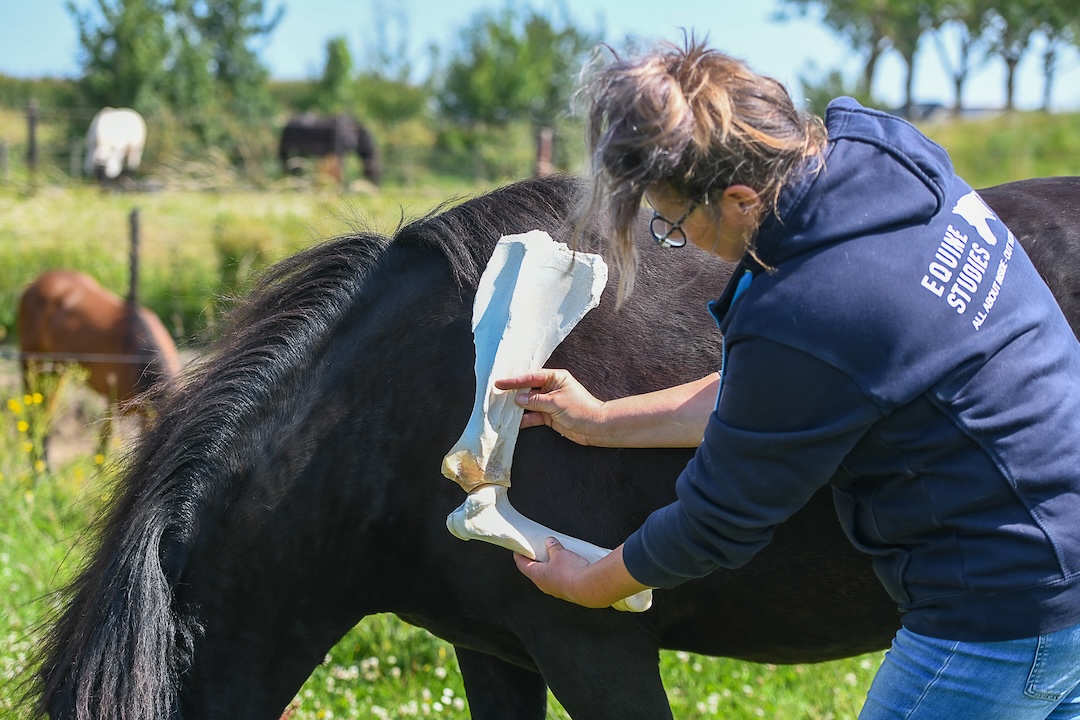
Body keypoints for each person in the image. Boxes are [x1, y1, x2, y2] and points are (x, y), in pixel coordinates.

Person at [497, 38, 1080, 719]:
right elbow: (780, 397)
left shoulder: (805, 305)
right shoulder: (885, 152)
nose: (680, 239)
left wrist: (592, 583)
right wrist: (601, 420)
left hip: (1003, 612)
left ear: (739, 198)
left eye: (675, 223)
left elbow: (718, 520)